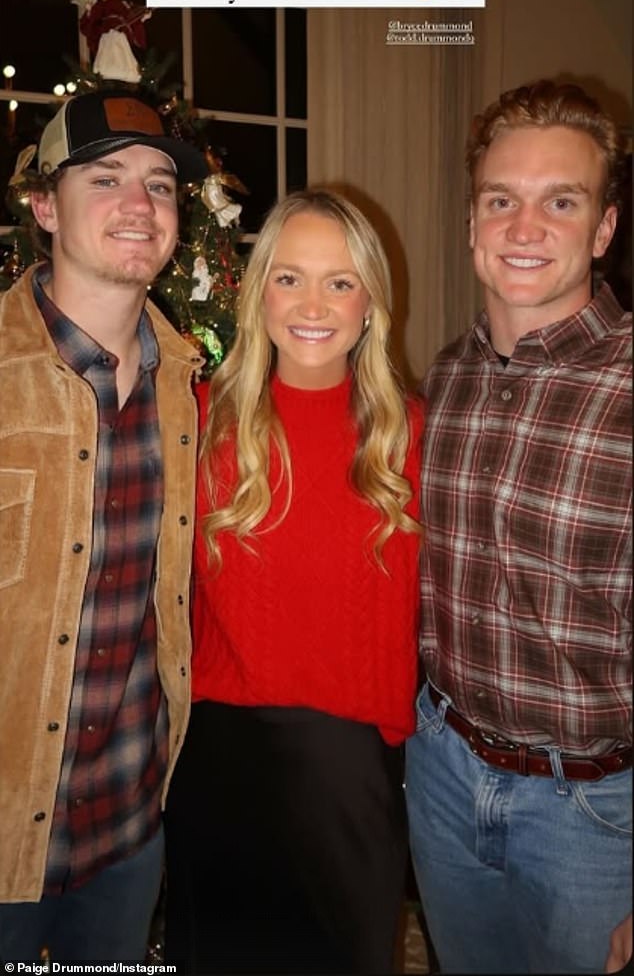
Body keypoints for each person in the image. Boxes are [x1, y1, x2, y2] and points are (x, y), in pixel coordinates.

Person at [164, 188, 424, 974]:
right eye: (290, 277)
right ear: (258, 290)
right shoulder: (197, 422)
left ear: (372, 301)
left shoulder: (414, 436)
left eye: (341, 282)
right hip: (221, 770)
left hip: (351, 781)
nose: (313, 304)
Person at [405, 79, 632, 974]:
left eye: (560, 201)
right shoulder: (447, 375)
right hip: (445, 774)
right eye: (502, 200)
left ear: (604, 229)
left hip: (596, 813)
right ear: (472, 223)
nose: (524, 227)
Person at [0, 89, 207, 963]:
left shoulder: (191, 391)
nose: (140, 205)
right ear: (44, 206)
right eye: (106, 178)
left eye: (160, 185)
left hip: (128, 830)